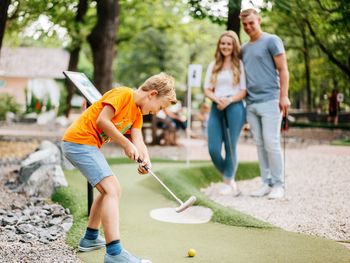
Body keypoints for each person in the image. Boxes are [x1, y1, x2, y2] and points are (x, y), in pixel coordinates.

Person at [61, 73, 177, 263]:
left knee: (108, 190)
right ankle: (114, 253)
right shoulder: (123, 94)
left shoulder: (138, 114)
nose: (157, 112)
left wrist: (145, 159)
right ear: (152, 94)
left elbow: (138, 140)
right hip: (78, 142)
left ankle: (90, 238)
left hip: (86, 145)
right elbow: (102, 121)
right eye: (160, 106)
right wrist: (125, 143)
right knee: (112, 190)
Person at [240, 8, 290, 199]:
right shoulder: (244, 49)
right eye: (244, 24)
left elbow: (283, 69)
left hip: (271, 100)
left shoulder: (272, 40)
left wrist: (283, 96)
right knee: (260, 144)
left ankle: (279, 184)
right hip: (251, 103)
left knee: (271, 142)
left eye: (251, 22)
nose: (248, 27)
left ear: (259, 20)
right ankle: (266, 182)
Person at [204, 30, 247, 196]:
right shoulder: (213, 64)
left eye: (229, 43)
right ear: (219, 45)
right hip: (217, 106)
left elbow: (243, 91)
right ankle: (229, 176)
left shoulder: (239, 64)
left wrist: (228, 100)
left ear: (234, 45)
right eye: (223, 43)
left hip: (235, 106)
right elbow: (207, 89)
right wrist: (217, 99)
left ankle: (228, 181)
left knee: (230, 146)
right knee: (214, 148)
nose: (225, 46)